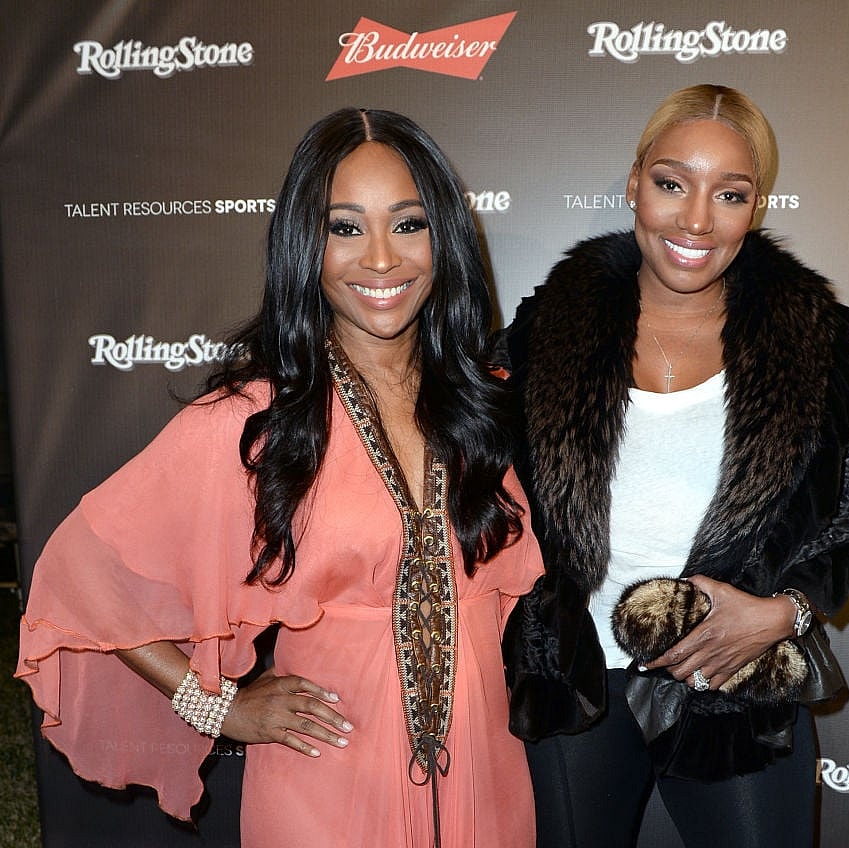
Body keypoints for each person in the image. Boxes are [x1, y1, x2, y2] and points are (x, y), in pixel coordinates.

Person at [17, 107, 543, 848]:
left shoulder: (479, 401)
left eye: (409, 223)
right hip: (326, 790)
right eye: (346, 227)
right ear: (307, 245)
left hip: (489, 782)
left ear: (444, 238)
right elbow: (79, 580)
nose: (383, 259)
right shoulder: (259, 417)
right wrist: (219, 707)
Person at [497, 84, 849, 847]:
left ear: (755, 209)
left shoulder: (817, 353)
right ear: (633, 184)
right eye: (671, 183)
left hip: (734, 682)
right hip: (576, 677)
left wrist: (784, 612)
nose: (695, 219)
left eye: (730, 193)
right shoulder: (543, 334)